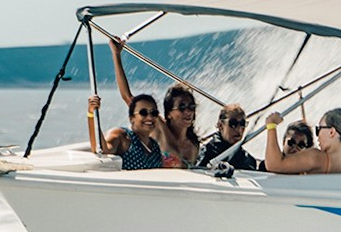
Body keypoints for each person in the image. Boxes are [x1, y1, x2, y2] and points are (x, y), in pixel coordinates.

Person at [105, 36, 200, 168]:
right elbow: (128, 97)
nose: (188, 111)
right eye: (182, 107)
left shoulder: (193, 144)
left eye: (191, 106)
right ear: (169, 113)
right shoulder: (158, 126)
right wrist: (116, 55)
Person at [262, 107, 341, 174]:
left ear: (332, 132)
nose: (317, 136)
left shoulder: (317, 158)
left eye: (319, 129)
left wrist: (271, 125)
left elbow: (274, 164)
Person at [88, 93, 165, 170]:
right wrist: (91, 114)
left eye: (154, 113)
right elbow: (102, 149)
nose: (150, 117)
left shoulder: (155, 146)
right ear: (131, 118)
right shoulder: (122, 136)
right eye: (143, 113)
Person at [196, 104, 259, 170]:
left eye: (242, 124)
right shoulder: (205, 154)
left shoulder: (248, 161)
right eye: (233, 124)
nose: (239, 129)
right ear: (220, 126)